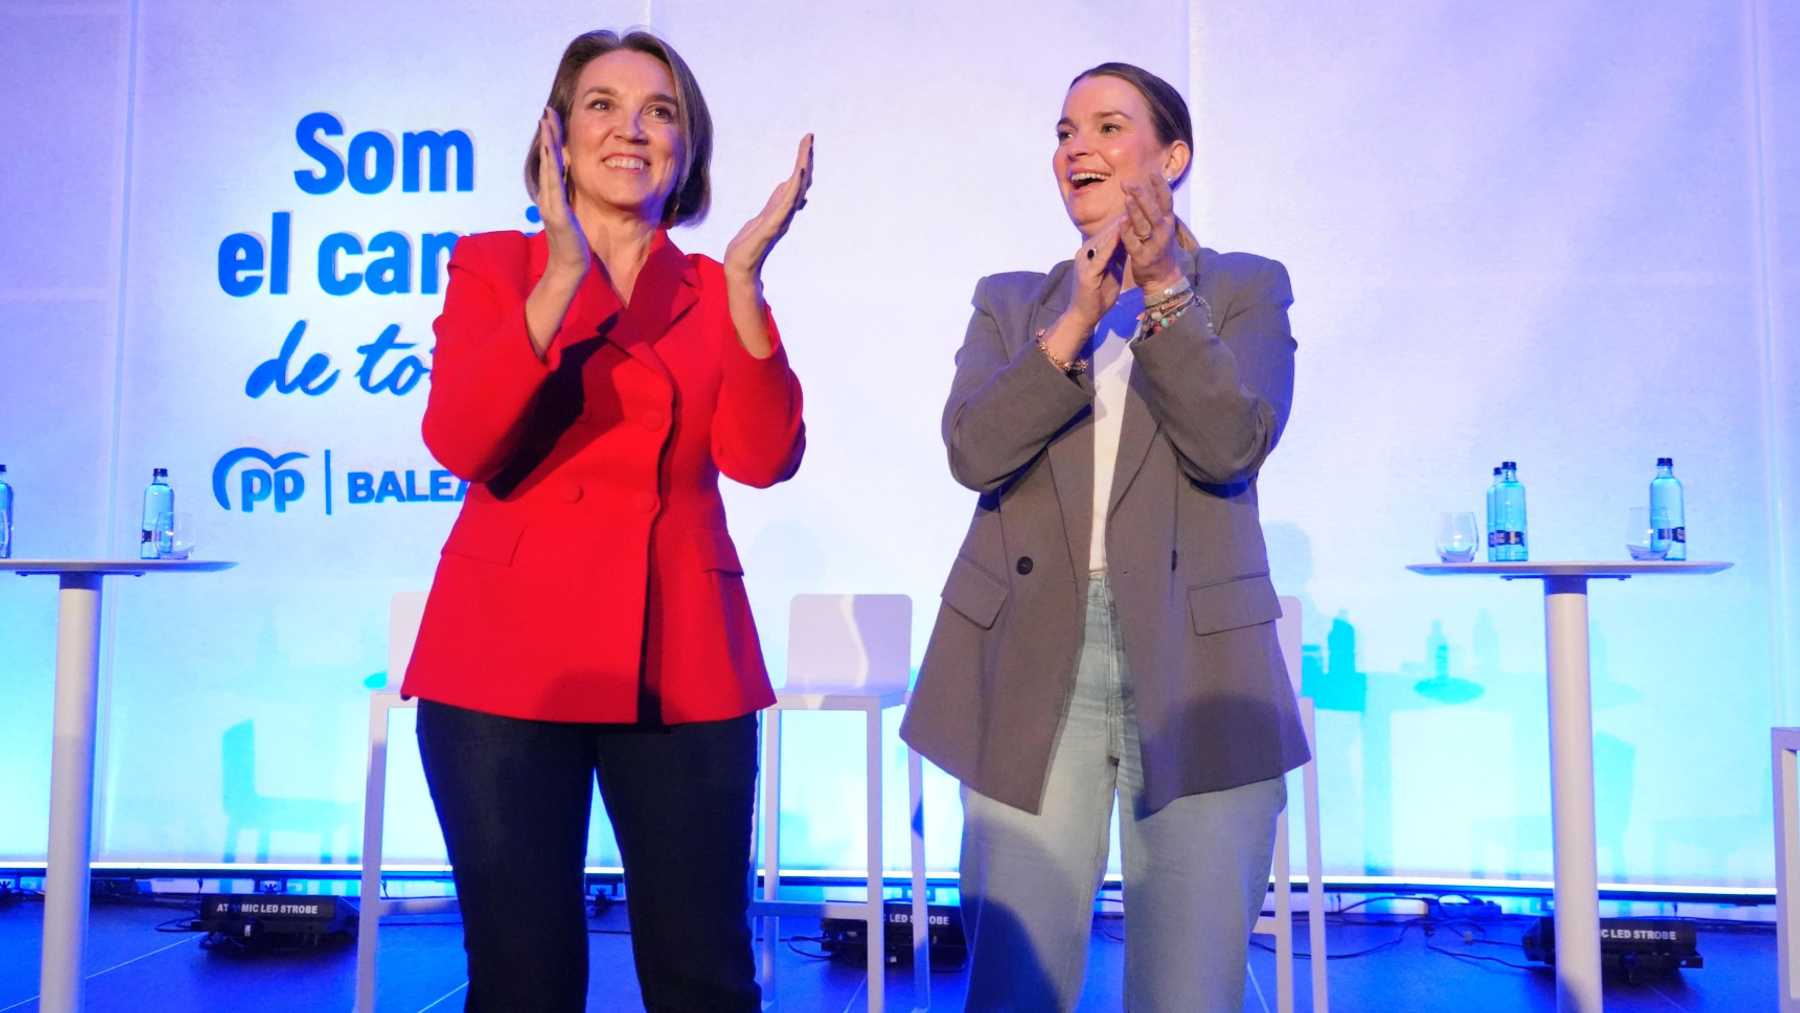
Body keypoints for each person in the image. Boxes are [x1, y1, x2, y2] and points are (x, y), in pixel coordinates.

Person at [399, 28, 812, 1012]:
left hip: (684, 663)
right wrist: (558, 280)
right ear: (556, 134)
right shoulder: (496, 266)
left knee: (704, 975)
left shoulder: (715, 288)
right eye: (601, 104)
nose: (631, 128)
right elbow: (460, 439)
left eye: (659, 109)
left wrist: (749, 284)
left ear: (687, 145)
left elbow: (763, 458)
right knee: (523, 980)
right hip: (502, 662)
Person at [899, 61, 1309, 1012]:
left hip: (1197, 665)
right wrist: (1076, 322)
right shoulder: (1013, 302)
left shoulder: (1245, 290)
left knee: (1190, 990)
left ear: (1174, 156)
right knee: (1015, 985)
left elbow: (1230, 442)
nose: (1076, 147)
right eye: (1064, 131)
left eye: (1107, 126)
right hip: (1032, 652)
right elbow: (973, 449)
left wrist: (1163, 289)